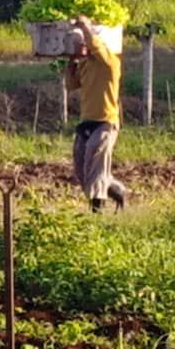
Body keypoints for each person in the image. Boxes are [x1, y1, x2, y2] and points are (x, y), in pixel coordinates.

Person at [65, 15, 129, 213]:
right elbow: (71, 85)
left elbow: (97, 45)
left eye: (82, 43)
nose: (80, 46)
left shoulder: (109, 62)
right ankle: (116, 189)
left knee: (95, 159)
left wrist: (86, 26)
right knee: (81, 167)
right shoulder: (85, 64)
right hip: (87, 121)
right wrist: (72, 61)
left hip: (105, 121)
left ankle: (97, 209)